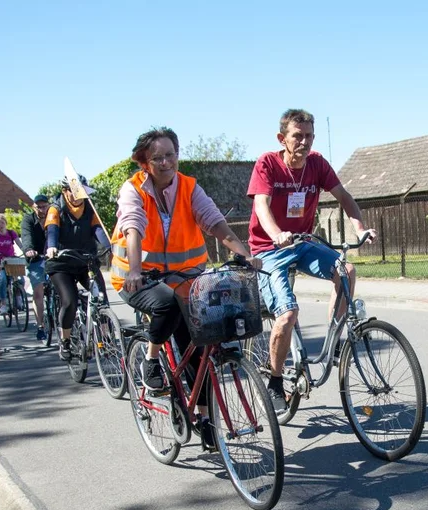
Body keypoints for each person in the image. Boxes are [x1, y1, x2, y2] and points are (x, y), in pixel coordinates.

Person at [113, 127, 260, 447]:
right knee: (166, 305)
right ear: (144, 163)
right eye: (158, 157)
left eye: (171, 154)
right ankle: (151, 360)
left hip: (186, 276)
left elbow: (214, 221)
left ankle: (205, 419)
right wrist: (135, 270)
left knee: (201, 343)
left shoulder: (189, 187)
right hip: (140, 277)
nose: (166, 162)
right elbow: (133, 228)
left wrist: (245, 254)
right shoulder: (133, 190)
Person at [248, 108, 375, 412]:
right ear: (283, 138)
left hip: (303, 243)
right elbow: (262, 205)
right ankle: (276, 380)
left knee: (346, 270)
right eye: (297, 136)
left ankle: (334, 341)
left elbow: (343, 195)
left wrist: (360, 227)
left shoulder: (317, 164)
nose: (304, 142)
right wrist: (277, 233)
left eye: (309, 136)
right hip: (269, 250)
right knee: (287, 316)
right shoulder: (267, 163)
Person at [45, 176, 111, 362]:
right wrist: (51, 246)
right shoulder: (55, 208)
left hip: (85, 260)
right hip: (61, 262)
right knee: (70, 301)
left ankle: (106, 339)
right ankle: (65, 341)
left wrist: (110, 247)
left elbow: (98, 230)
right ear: (66, 191)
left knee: (101, 298)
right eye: (74, 192)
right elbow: (52, 230)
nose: (78, 196)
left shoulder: (89, 208)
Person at [19, 194, 51, 342]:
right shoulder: (28, 219)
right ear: (34, 207)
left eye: (44, 206)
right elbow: (26, 236)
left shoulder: (54, 217)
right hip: (36, 259)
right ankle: (40, 326)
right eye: (39, 206)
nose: (42, 209)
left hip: (53, 257)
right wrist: (29, 249)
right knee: (38, 292)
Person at [0, 214, 19, 314]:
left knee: (18, 279)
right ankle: (3, 303)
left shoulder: (11, 233)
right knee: (2, 280)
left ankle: (19, 298)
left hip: (11, 259)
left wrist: (26, 251)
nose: (0, 225)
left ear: (6, 223)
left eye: (2, 223)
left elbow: (20, 244)